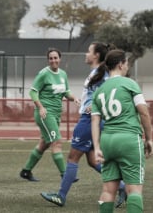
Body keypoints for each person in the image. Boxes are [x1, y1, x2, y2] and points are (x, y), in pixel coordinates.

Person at [40, 42, 117, 206]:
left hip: (89, 121)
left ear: (96, 55)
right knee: (92, 161)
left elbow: (109, 92)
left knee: (72, 158)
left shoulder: (103, 74)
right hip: (90, 120)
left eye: (88, 51)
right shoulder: (97, 72)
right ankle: (122, 187)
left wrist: (95, 106)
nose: (86, 54)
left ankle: (61, 196)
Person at [90, 49, 153, 213]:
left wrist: (97, 148)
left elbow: (95, 121)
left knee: (107, 191)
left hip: (107, 142)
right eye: (126, 63)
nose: (127, 66)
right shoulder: (129, 84)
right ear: (120, 64)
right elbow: (144, 113)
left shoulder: (99, 91)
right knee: (134, 190)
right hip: (128, 140)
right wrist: (149, 139)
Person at [19, 48, 79, 182]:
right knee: (57, 141)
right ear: (48, 60)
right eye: (51, 58)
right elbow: (33, 92)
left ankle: (26, 171)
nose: (53, 60)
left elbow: (66, 93)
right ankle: (65, 174)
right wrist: (40, 107)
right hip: (45, 113)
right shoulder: (44, 74)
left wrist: (74, 98)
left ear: (60, 59)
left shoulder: (63, 74)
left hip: (56, 114)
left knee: (44, 143)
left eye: (55, 58)